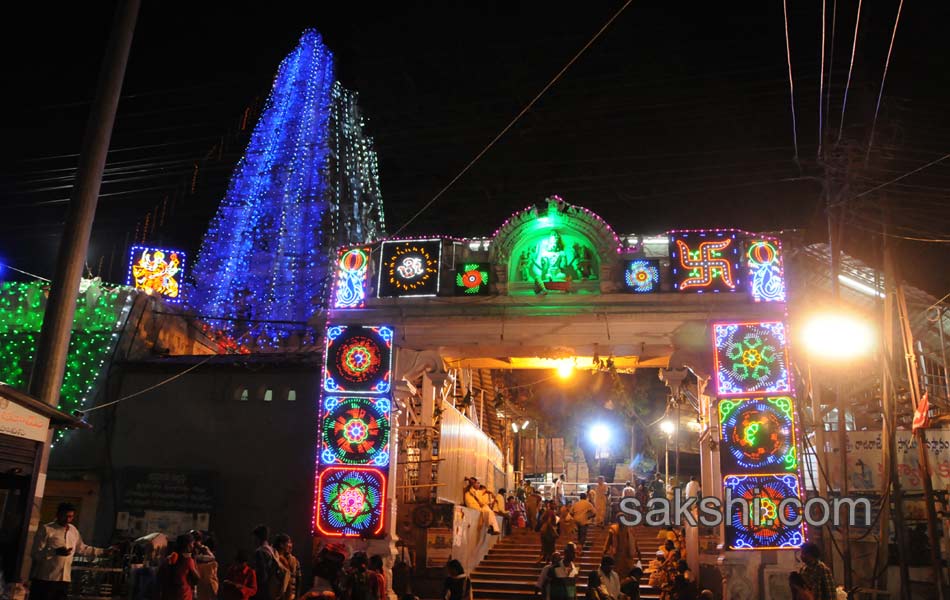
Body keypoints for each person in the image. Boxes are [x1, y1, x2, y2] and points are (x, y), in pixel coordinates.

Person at [31, 503, 111, 600]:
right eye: (65, 516)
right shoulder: (47, 529)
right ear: (58, 514)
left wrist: (103, 551)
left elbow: (82, 548)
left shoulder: (73, 530)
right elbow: (36, 554)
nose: (67, 519)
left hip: (64, 578)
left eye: (70, 517)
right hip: (46, 578)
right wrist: (54, 552)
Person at [158, 534, 201, 600]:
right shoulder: (188, 560)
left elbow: (160, 575)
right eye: (192, 544)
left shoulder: (169, 558)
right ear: (188, 545)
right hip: (183, 594)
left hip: (168, 594)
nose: (193, 546)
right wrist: (194, 559)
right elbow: (197, 578)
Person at [606, 514, 640, 578]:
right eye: (619, 518)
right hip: (617, 555)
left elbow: (634, 541)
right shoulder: (613, 529)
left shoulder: (629, 529)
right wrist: (604, 551)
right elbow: (608, 541)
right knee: (616, 573)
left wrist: (638, 551)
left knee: (628, 572)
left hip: (627, 555)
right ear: (617, 520)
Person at [251, 525, 278, 600]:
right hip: (272, 589)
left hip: (262, 590)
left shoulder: (259, 551)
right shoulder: (272, 550)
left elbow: (262, 575)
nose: (253, 540)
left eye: (254, 537)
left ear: (257, 537)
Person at [192, 532, 219, 600]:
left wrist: (197, 557)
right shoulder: (193, 549)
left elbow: (212, 558)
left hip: (206, 582)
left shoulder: (204, 549)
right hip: (200, 584)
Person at [274, 534, 301, 600]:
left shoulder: (294, 560)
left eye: (291, 543)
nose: (290, 545)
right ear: (281, 545)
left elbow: (299, 579)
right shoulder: (276, 559)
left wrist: (297, 596)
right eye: (288, 542)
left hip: (290, 596)